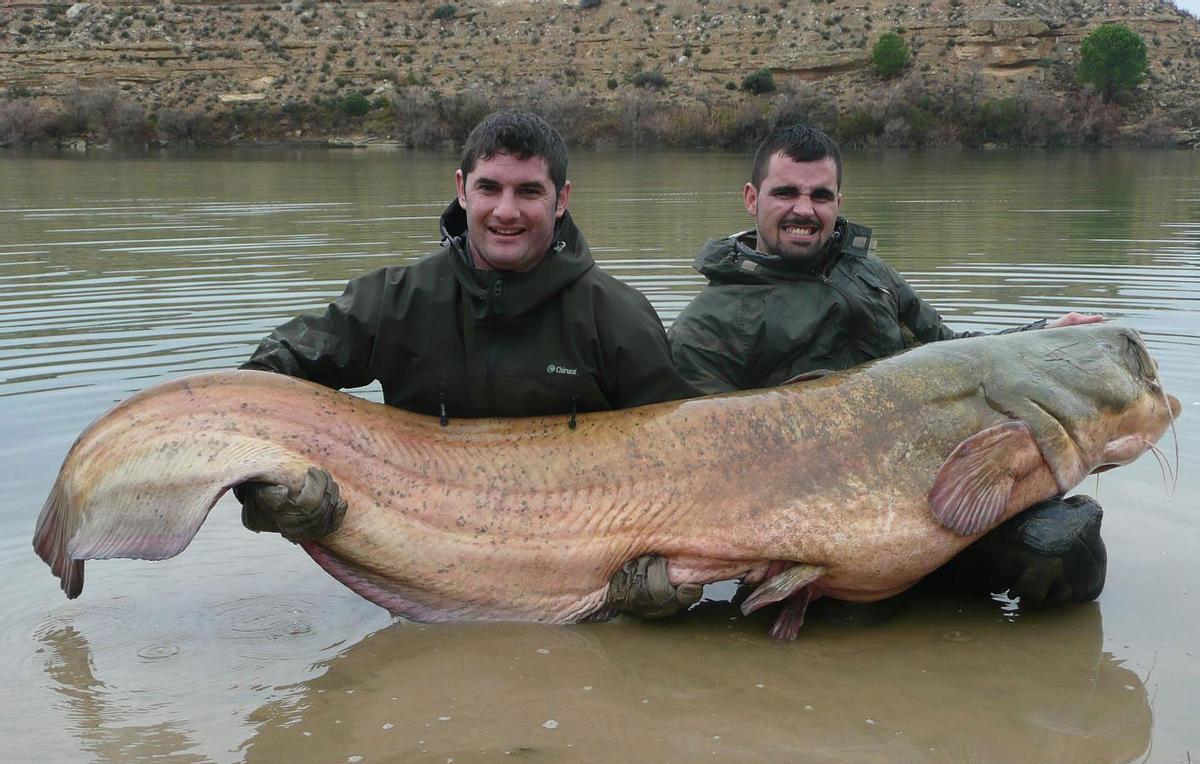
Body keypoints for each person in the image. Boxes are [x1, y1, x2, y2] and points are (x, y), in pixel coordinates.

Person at [237, 110, 700, 616]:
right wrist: (270, 493)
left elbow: (686, 462)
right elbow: (260, 386)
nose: (507, 211)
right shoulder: (395, 299)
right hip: (419, 577)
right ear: (462, 189)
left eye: (529, 192)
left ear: (561, 199)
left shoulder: (618, 316)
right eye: (489, 188)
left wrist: (664, 575)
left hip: (581, 583)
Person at [668, 124, 1107, 615]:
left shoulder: (872, 275)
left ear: (838, 200)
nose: (804, 210)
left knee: (1068, 551)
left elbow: (951, 353)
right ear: (752, 198)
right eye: (786, 192)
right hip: (812, 526)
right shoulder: (707, 325)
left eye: (820, 195)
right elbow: (693, 458)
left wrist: (1042, 334)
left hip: (934, 492)